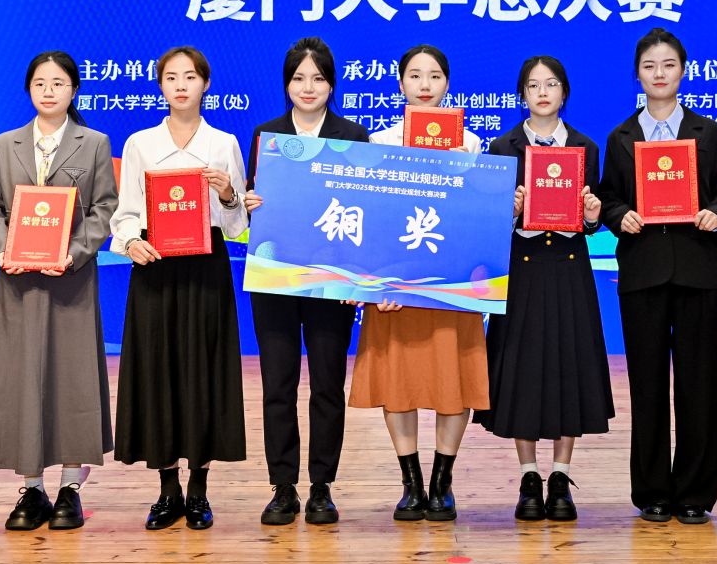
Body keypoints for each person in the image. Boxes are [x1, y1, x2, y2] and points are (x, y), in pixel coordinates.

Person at [597, 28, 717, 525]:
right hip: (644, 272)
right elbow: (608, 197)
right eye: (650, 66)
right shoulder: (621, 137)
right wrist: (621, 216)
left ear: (683, 70)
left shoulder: (706, 132)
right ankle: (653, 490)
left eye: (669, 64)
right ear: (637, 74)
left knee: (700, 385)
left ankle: (696, 493)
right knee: (648, 385)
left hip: (699, 270)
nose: (659, 74)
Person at [0, 51, 119, 533]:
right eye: (40, 83)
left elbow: (104, 208)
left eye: (58, 83)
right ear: (28, 89)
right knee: (22, 378)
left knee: (72, 378)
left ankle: (70, 488)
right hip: (18, 279)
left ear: (73, 90)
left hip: (70, 280)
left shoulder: (94, 143)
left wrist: (72, 254)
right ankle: (32, 487)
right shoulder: (4, 144)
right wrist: (4, 249)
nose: (49, 91)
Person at [110, 46, 249, 531]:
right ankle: (167, 490)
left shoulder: (224, 143)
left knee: (203, 371)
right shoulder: (140, 143)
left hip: (206, 268)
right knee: (159, 371)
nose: (181, 85)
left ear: (205, 84)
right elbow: (126, 212)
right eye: (172, 77)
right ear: (161, 85)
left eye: (191, 77)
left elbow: (237, 224)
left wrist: (228, 194)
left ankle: (199, 490)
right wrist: (131, 241)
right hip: (156, 266)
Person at [349, 44, 488, 521]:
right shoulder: (380, 142)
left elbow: (478, 221)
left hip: (451, 287)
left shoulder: (471, 145)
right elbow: (370, 218)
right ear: (401, 84)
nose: (424, 85)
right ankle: (410, 483)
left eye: (434, 76)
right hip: (396, 286)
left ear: (447, 83)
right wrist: (376, 285)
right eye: (414, 75)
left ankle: (442, 483)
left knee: (454, 382)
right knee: (400, 382)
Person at [476, 56, 613, 522]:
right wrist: (510, 211)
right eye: (533, 85)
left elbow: (591, 222)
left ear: (564, 92)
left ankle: (560, 476)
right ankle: (529, 476)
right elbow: (488, 222)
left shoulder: (584, 146)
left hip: (569, 267)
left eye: (551, 84)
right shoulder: (502, 146)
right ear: (522, 94)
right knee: (524, 369)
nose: (542, 93)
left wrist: (591, 216)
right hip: (524, 269)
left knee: (568, 365)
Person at [241, 37, 368, 527]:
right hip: (276, 276)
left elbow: (366, 210)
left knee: (328, 385)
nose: (308, 87)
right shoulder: (267, 135)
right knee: (278, 384)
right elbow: (250, 205)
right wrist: (249, 203)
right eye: (299, 78)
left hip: (332, 280)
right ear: (286, 84)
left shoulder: (352, 136)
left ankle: (321, 487)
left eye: (318, 78)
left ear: (331, 85)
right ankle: (282, 487)